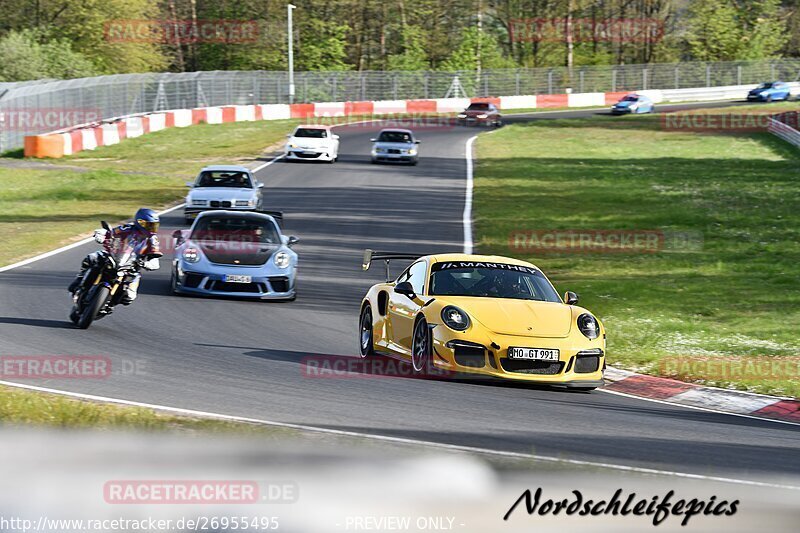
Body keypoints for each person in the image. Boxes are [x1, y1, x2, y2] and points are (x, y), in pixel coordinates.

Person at [68, 208, 162, 305]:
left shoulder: (153, 240)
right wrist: (101, 235)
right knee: (91, 258)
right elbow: (111, 232)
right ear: (139, 222)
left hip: (132, 267)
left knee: (130, 296)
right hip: (115, 256)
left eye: (154, 226)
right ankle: (80, 279)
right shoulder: (127, 228)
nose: (151, 228)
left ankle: (110, 304)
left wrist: (149, 263)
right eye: (148, 225)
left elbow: (155, 256)